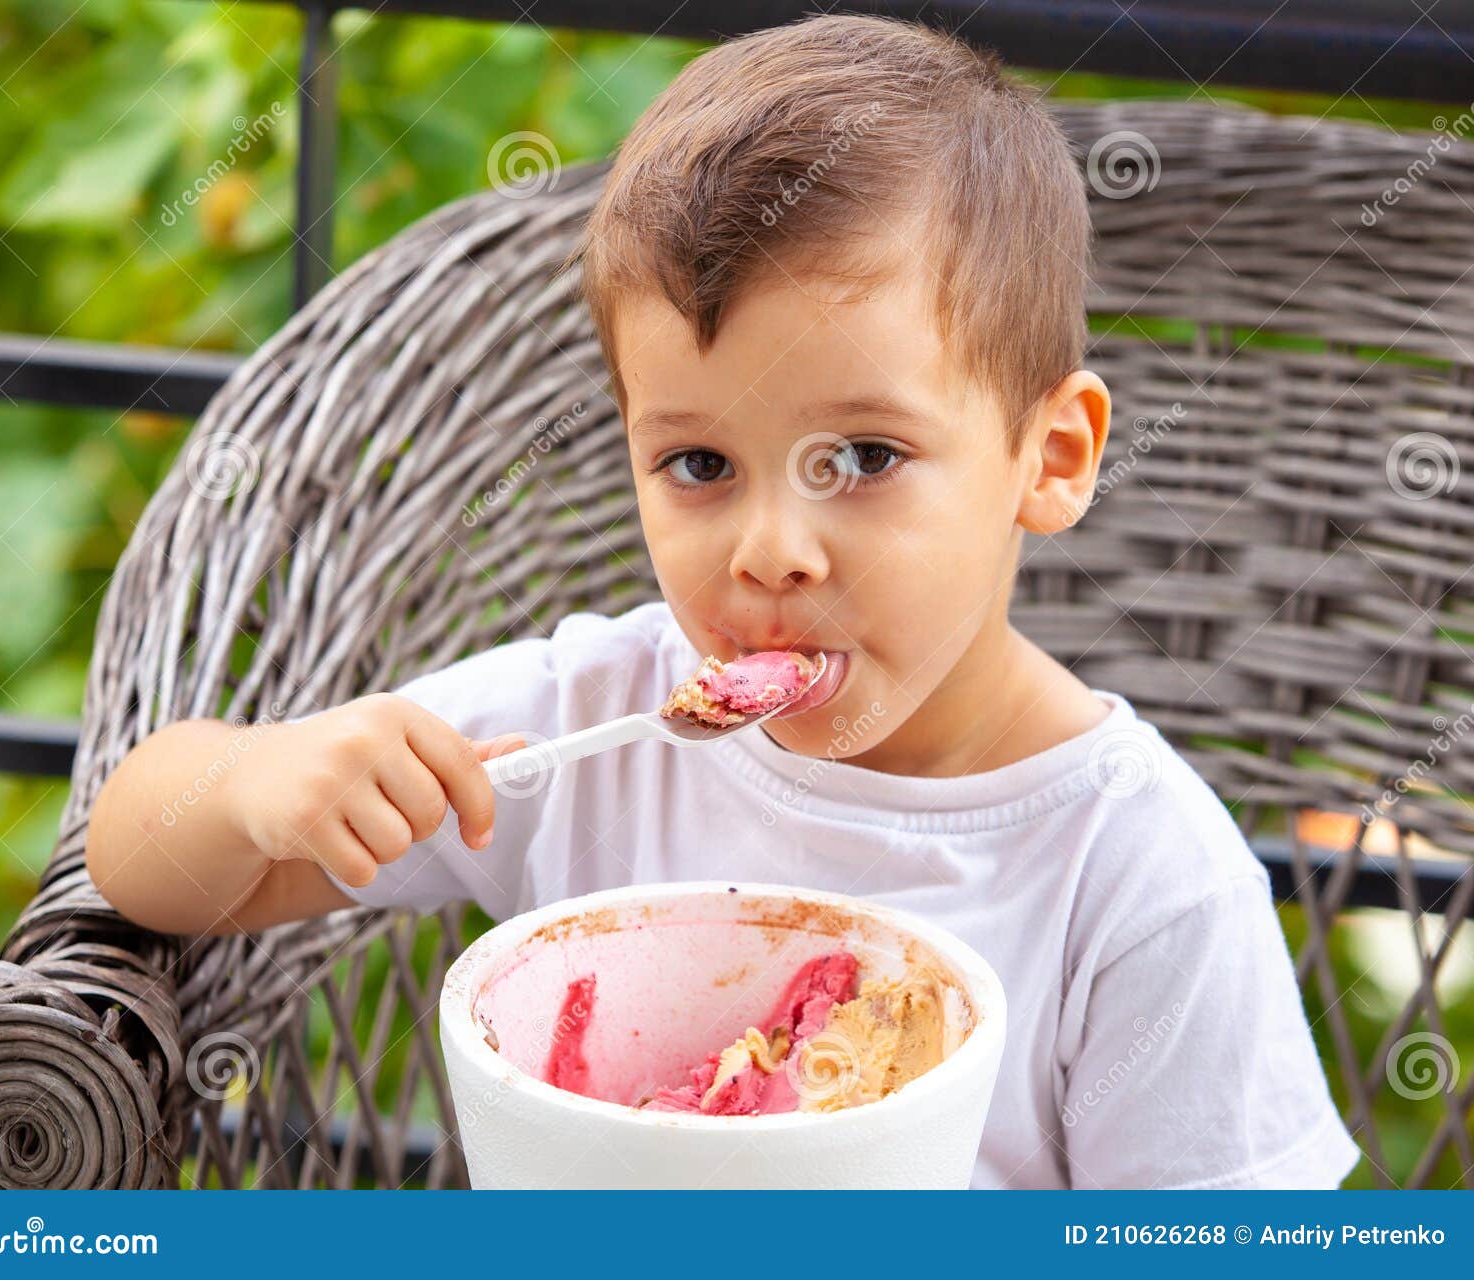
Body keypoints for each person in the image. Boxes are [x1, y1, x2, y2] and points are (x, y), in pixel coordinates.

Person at [88, 14, 1358, 1189]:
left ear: (1053, 457)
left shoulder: (1135, 875)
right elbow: (141, 866)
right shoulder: (584, 730)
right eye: (699, 465)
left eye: (861, 458)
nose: (770, 552)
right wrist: (261, 779)